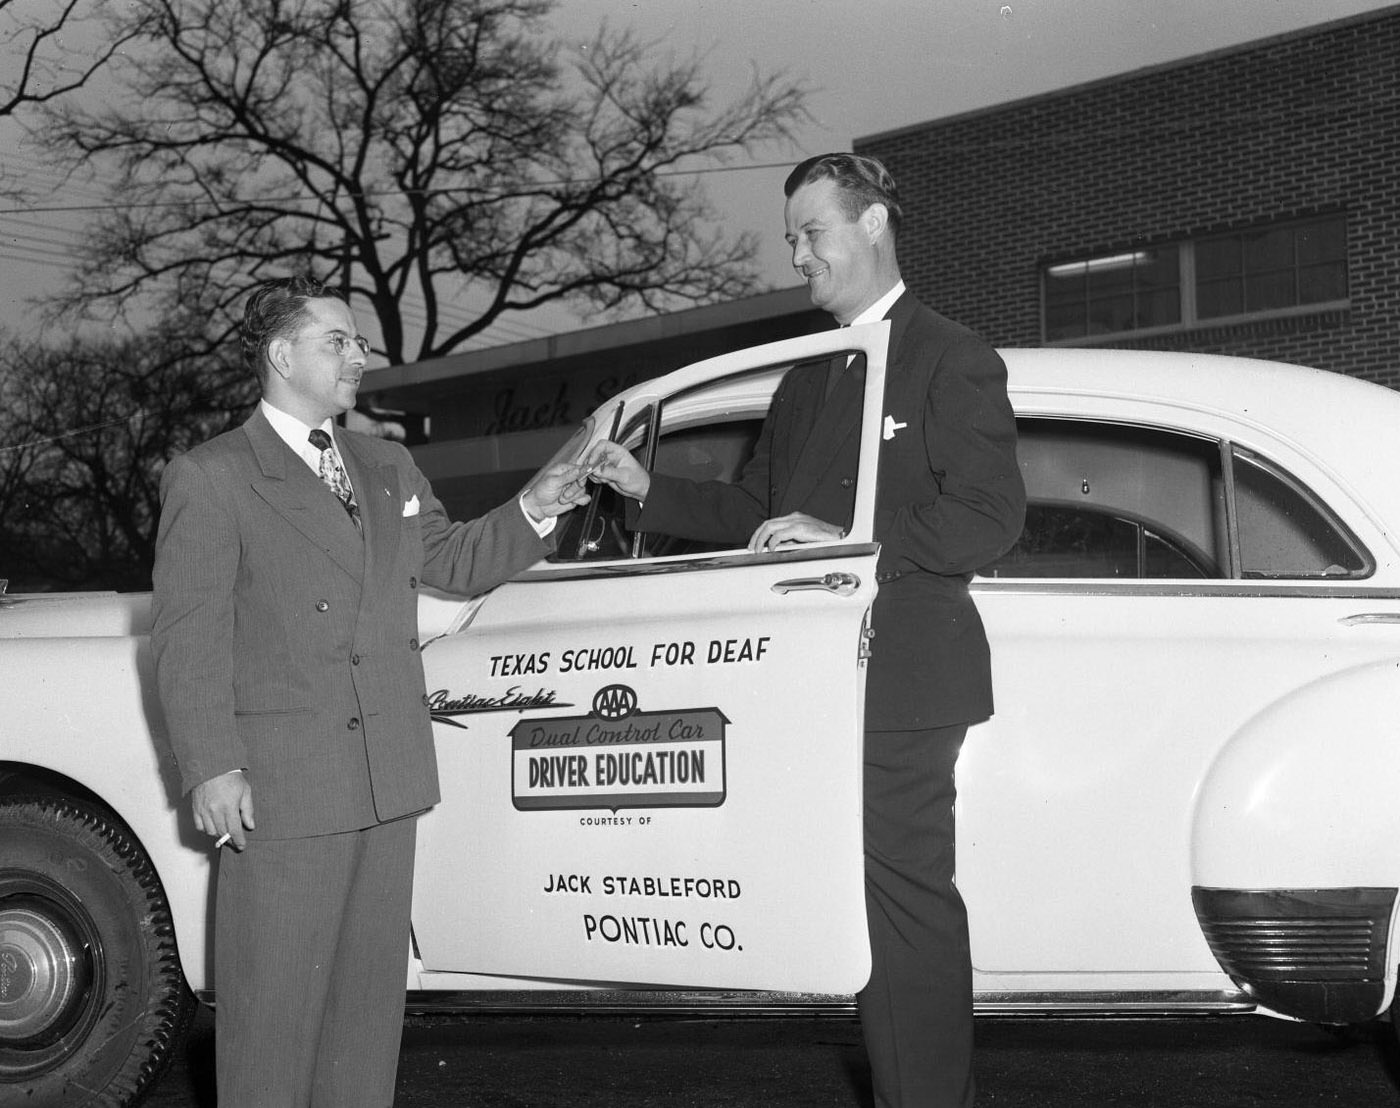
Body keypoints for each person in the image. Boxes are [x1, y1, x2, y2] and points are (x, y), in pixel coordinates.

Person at [585, 153, 1025, 1107]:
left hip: (905, 677)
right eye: (790, 239)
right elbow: (756, 505)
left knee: (904, 906)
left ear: (872, 225)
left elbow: (991, 515)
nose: (797, 257)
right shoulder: (809, 378)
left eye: (810, 233)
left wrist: (855, 541)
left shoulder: (950, 354)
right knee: (862, 912)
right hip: (816, 681)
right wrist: (646, 489)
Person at [150, 275, 588, 1108]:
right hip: (284, 786)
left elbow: (452, 560)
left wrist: (536, 506)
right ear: (282, 356)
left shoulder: (387, 464)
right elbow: (187, 635)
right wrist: (211, 764)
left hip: (387, 777)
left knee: (364, 1023)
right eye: (338, 342)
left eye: (358, 342)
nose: (359, 357)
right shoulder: (212, 477)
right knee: (272, 1021)